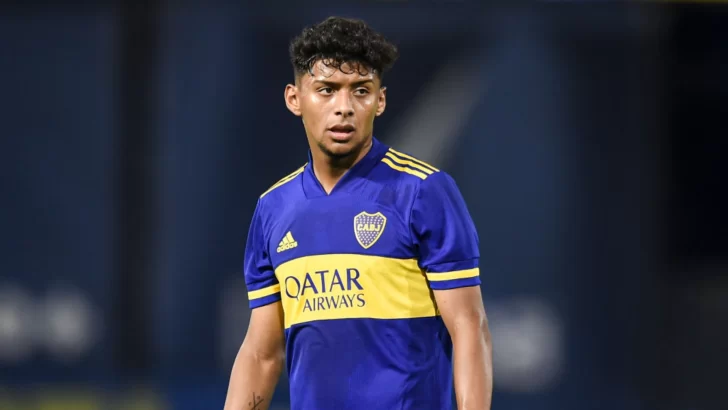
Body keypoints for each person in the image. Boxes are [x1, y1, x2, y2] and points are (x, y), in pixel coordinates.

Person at [224, 16, 493, 410]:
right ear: (294, 99)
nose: (344, 108)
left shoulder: (423, 191)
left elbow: (469, 326)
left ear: (379, 101)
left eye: (360, 91)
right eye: (327, 90)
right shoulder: (272, 208)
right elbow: (262, 354)